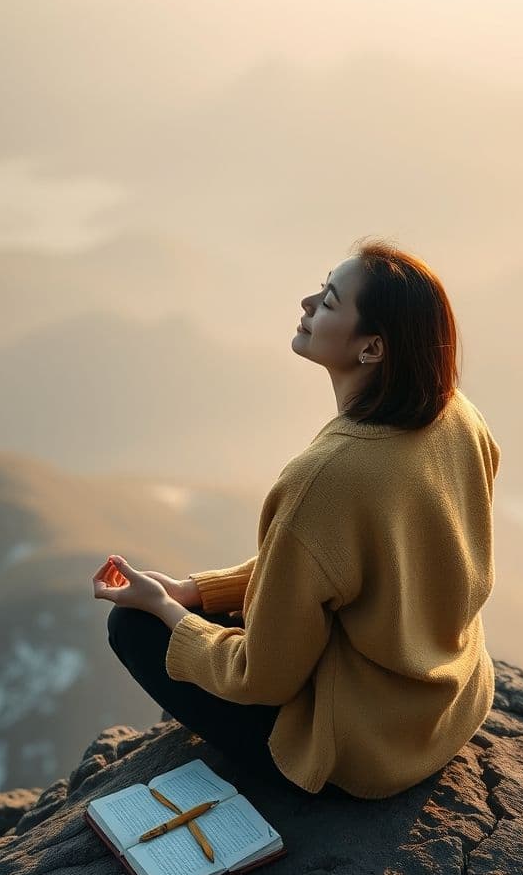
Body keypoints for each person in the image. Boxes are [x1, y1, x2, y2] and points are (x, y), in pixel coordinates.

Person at [95, 237, 501, 800]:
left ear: (372, 349)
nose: (308, 302)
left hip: (362, 751)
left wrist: (168, 612)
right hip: (449, 703)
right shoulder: (459, 415)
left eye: (330, 301)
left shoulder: (326, 476)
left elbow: (264, 678)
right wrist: (198, 591)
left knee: (130, 629)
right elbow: (339, 560)